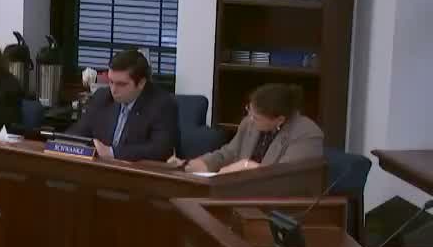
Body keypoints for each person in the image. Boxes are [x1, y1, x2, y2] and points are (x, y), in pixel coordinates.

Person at [175, 83, 323, 174]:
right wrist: (201, 164)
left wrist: (247, 166)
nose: (250, 119)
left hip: (278, 203)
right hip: (239, 192)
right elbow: (229, 153)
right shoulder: (249, 123)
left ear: (280, 119)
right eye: (249, 110)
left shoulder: (307, 134)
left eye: (256, 117)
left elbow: (284, 176)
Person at [68, 48, 178, 161]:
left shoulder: (162, 104)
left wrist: (112, 153)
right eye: (111, 82)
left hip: (134, 171)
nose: (114, 90)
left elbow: (160, 150)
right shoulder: (102, 97)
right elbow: (77, 133)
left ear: (141, 83)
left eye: (121, 84)